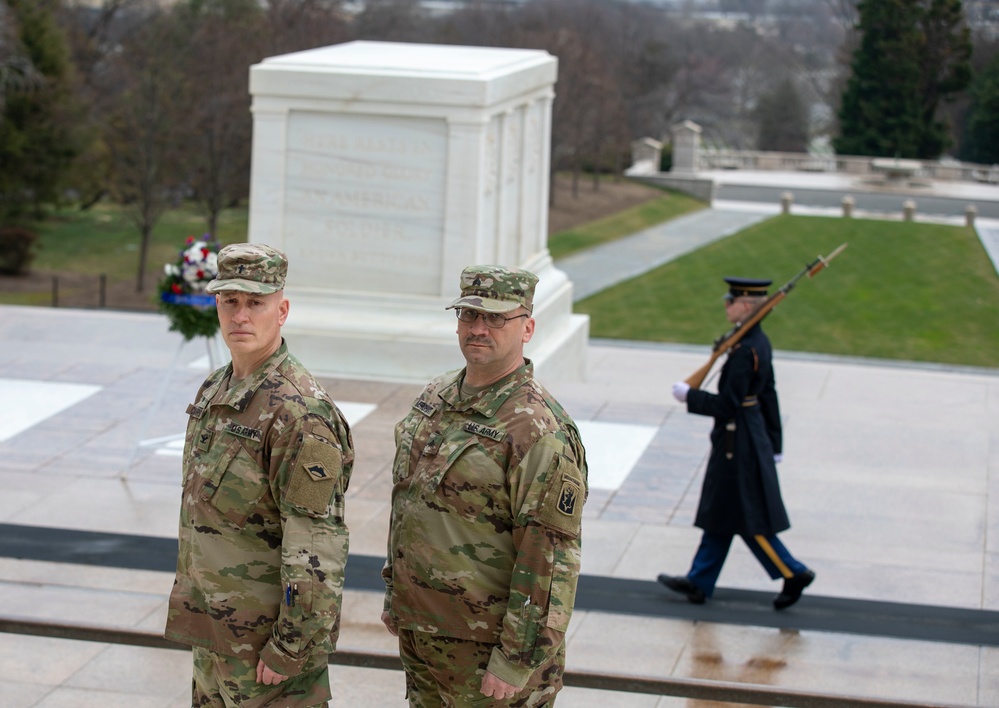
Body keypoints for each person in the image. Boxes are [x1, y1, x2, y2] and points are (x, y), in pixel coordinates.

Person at [381, 265, 588, 707]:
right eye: (468, 315)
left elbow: (549, 556)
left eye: (496, 318)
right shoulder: (436, 397)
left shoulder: (538, 428)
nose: (478, 328)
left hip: (489, 652)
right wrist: (395, 593)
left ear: (527, 327)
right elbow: (410, 501)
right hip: (425, 630)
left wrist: (516, 659)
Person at [164, 243, 354, 707]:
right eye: (230, 301)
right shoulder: (216, 387)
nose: (240, 316)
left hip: (265, 649)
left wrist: (292, 646)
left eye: (256, 303)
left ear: (282, 310)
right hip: (215, 631)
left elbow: (316, 546)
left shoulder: (299, 412)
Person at [659, 276, 814, 611]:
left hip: (738, 442)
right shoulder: (759, 342)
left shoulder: (745, 351)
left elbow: (729, 404)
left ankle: (794, 571)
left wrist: (691, 397)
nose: (725, 305)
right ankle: (699, 581)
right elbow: (768, 394)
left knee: (747, 517)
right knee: (722, 514)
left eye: (730, 301)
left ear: (745, 306)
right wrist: (775, 440)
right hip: (747, 434)